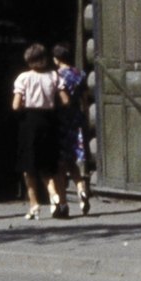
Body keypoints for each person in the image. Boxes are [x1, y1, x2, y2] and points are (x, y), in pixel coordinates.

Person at [12, 44, 65, 219]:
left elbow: (15, 105)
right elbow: (65, 100)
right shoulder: (53, 75)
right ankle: (52, 193)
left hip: (30, 121)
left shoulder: (24, 78)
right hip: (49, 120)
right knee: (47, 163)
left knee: (28, 166)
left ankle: (34, 205)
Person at [57, 49, 95, 216]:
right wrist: (84, 115)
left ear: (56, 59)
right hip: (76, 118)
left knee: (60, 164)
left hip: (61, 121)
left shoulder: (57, 76)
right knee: (73, 160)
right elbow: (85, 97)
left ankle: (63, 203)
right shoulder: (80, 74)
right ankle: (81, 189)